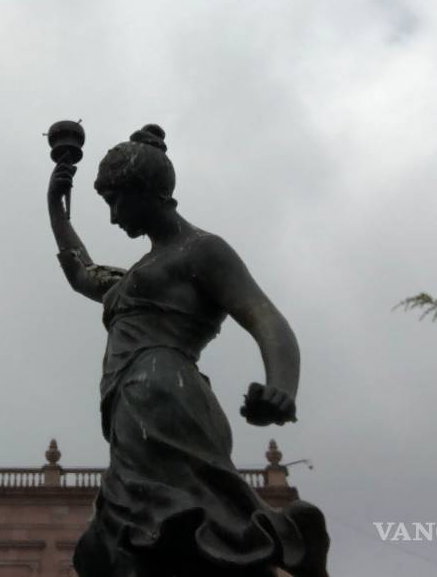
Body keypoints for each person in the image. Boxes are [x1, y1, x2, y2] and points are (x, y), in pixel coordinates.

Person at [47, 124, 329, 577]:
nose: (115, 217)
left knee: (189, 521)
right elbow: (82, 275)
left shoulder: (201, 251)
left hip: (170, 399)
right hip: (128, 410)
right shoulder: (139, 271)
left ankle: (280, 538)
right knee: (129, 541)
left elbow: (264, 317)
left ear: (145, 190)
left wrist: (282, 385)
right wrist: (57, 210)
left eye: (116, 200)